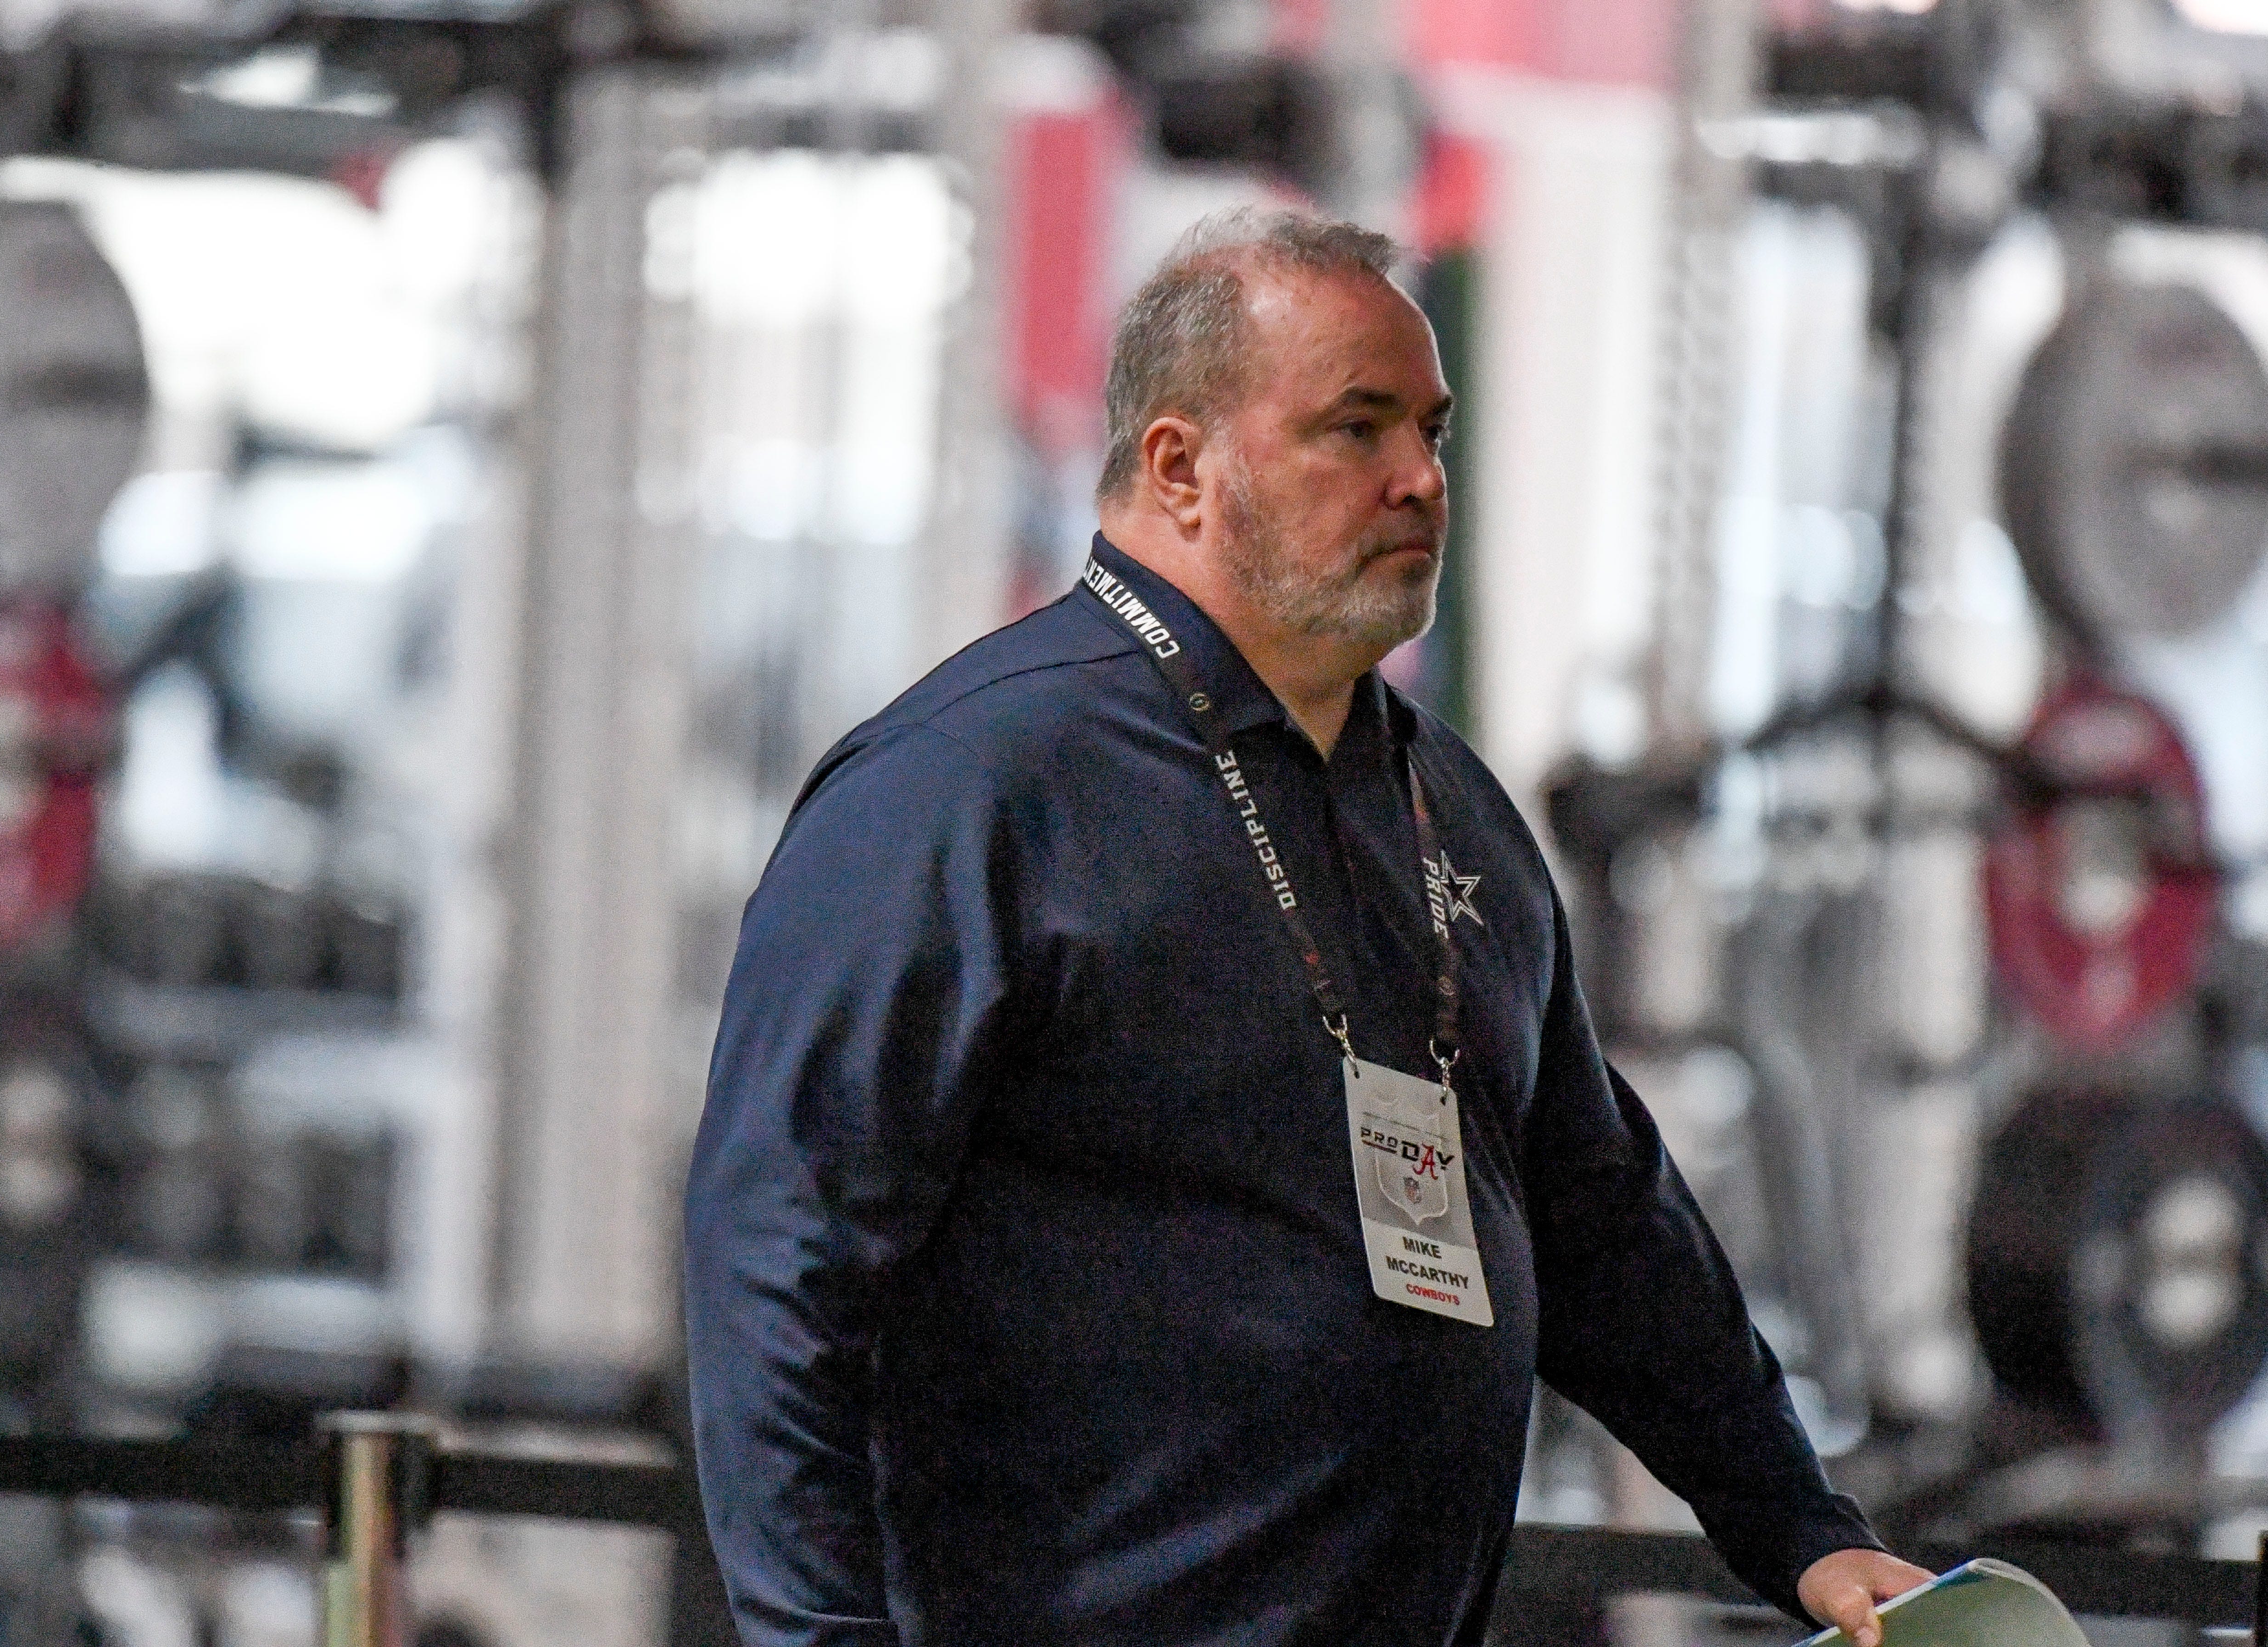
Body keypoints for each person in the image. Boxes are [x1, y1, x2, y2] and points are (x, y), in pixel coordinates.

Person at [683, 207, 1930, 1647]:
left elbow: (1602, 1218)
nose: (1418, 480)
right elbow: (778, 1267)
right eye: (1355, 429)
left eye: (1431, 431)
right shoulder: (967, 789)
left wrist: (1802, 1530)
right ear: (1181, 467)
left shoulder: (1446, 806)